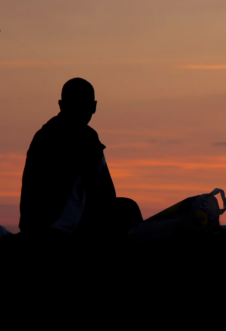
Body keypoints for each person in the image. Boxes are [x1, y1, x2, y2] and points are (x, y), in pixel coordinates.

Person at [19, 78, 142, 240]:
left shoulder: (43, 135)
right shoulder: (87, 137)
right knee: (128, 209)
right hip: (62, 226)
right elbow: (105, 191)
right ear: (94, 107)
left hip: (35, 224)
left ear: (61, 105)